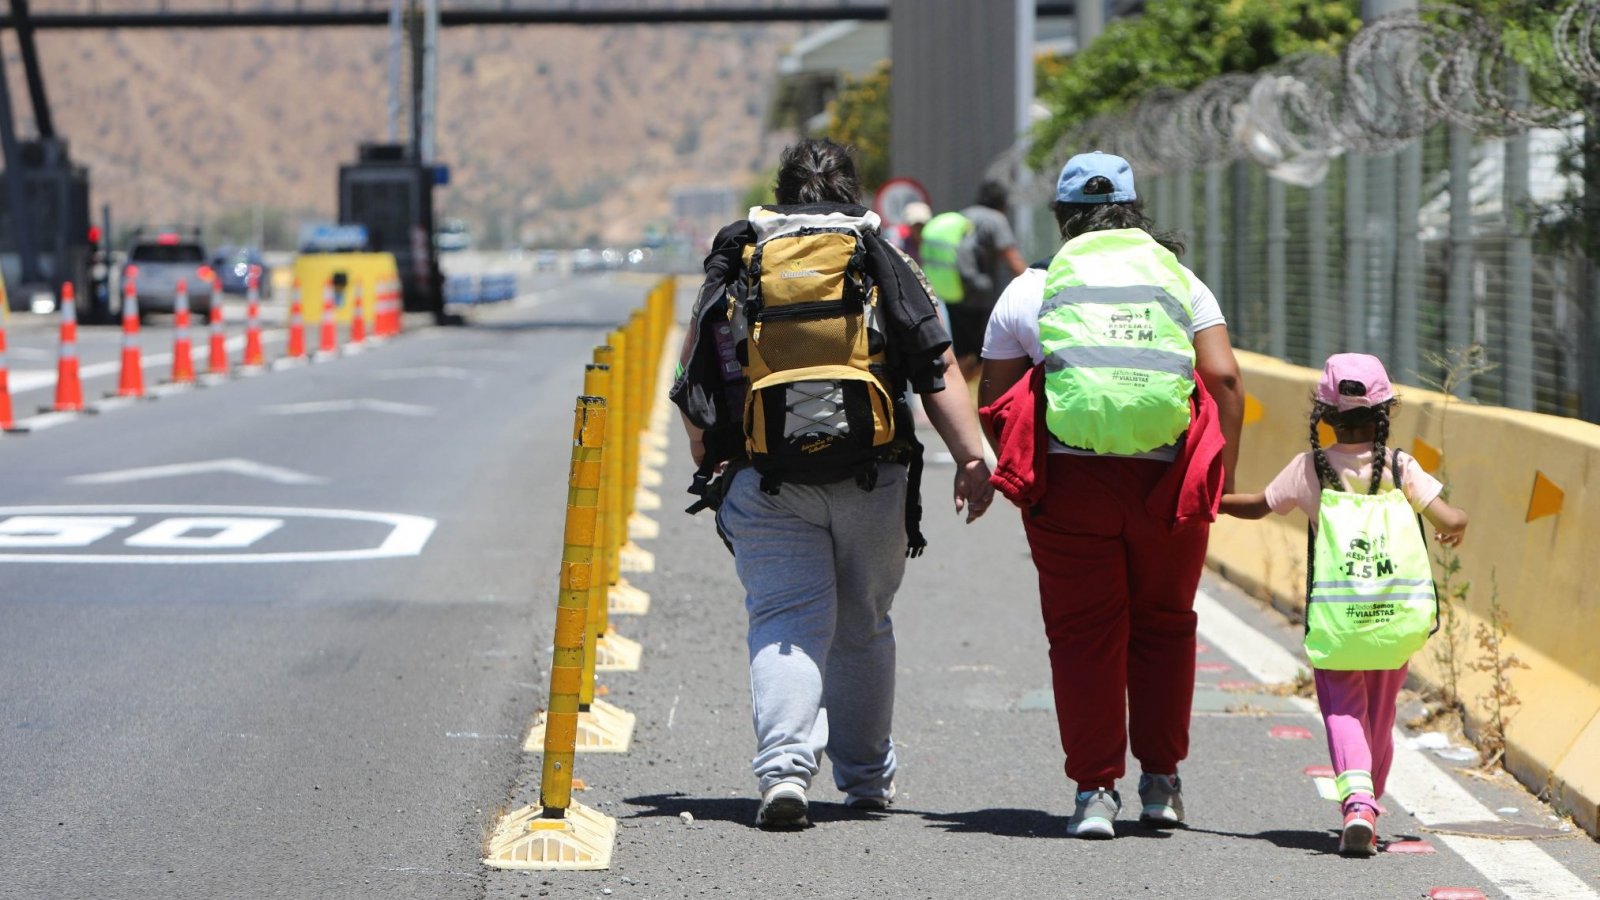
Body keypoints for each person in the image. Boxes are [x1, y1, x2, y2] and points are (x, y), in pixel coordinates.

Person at [670, 138, 994, 829]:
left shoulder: (743, 257)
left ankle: (785, 772)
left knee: (786, 619)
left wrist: (712, 466)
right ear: (855, 193)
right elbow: (936, 366)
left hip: (766, 476)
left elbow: (694, 373)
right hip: (873, 475)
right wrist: (971, 459)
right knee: (863, 625)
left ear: (782, 194)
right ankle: (867, 779)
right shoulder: (879, 256)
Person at [978, 150, 1245, 839]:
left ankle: (1095, 791)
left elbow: (998, 398)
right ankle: (1160, 784)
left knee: (1083, 636)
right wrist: (1221, 477)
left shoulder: (1034, 287)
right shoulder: (1179, 280)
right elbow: (1225, 380)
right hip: (1168, 481)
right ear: (1133, 211)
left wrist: (992, 470)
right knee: (1164, 623)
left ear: (1062, 217)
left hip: (1071, 484)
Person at [1220, 353, 1468, 856]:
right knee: (1379, 714)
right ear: (1386, 414)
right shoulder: (1400, 467)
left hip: (1337, 618)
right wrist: (1454, 524)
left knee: (1343, 711)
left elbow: (1258, 506)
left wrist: (1212, 502)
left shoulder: (1309, 469)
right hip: (1393, 620)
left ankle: (1357, 802)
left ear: (1324, 415)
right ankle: (1370, 800)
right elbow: (1450, 518)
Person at [919, 180, 1028, 385]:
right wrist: (1035, 284)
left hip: (955, 293)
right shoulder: (995, 219)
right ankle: (980, 399)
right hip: (982, 299)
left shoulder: (963, 216)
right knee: (986, 353)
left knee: (961, 352)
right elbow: (1012, 258)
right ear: (1002, 203)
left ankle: (961, 395)